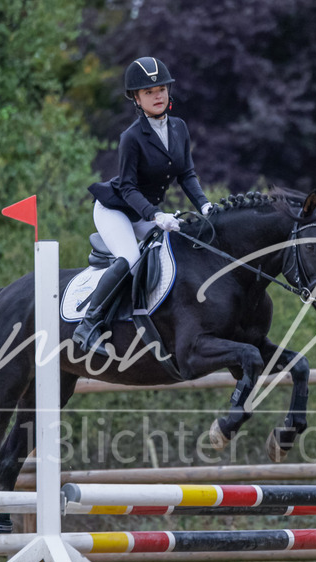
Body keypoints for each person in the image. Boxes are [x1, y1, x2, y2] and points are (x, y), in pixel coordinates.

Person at [73, 56, 213, 355]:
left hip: (146, 212)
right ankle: (89, 324)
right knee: (130, 258)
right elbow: (127, 187)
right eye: (149, 92)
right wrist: (156, 214)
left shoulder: (179, 128)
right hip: (115, 209)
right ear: (136, 99)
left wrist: (204, 206)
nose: (158, 95)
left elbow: (186, 174)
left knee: (180, 246)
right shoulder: (131, 137)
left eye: (161, 89)